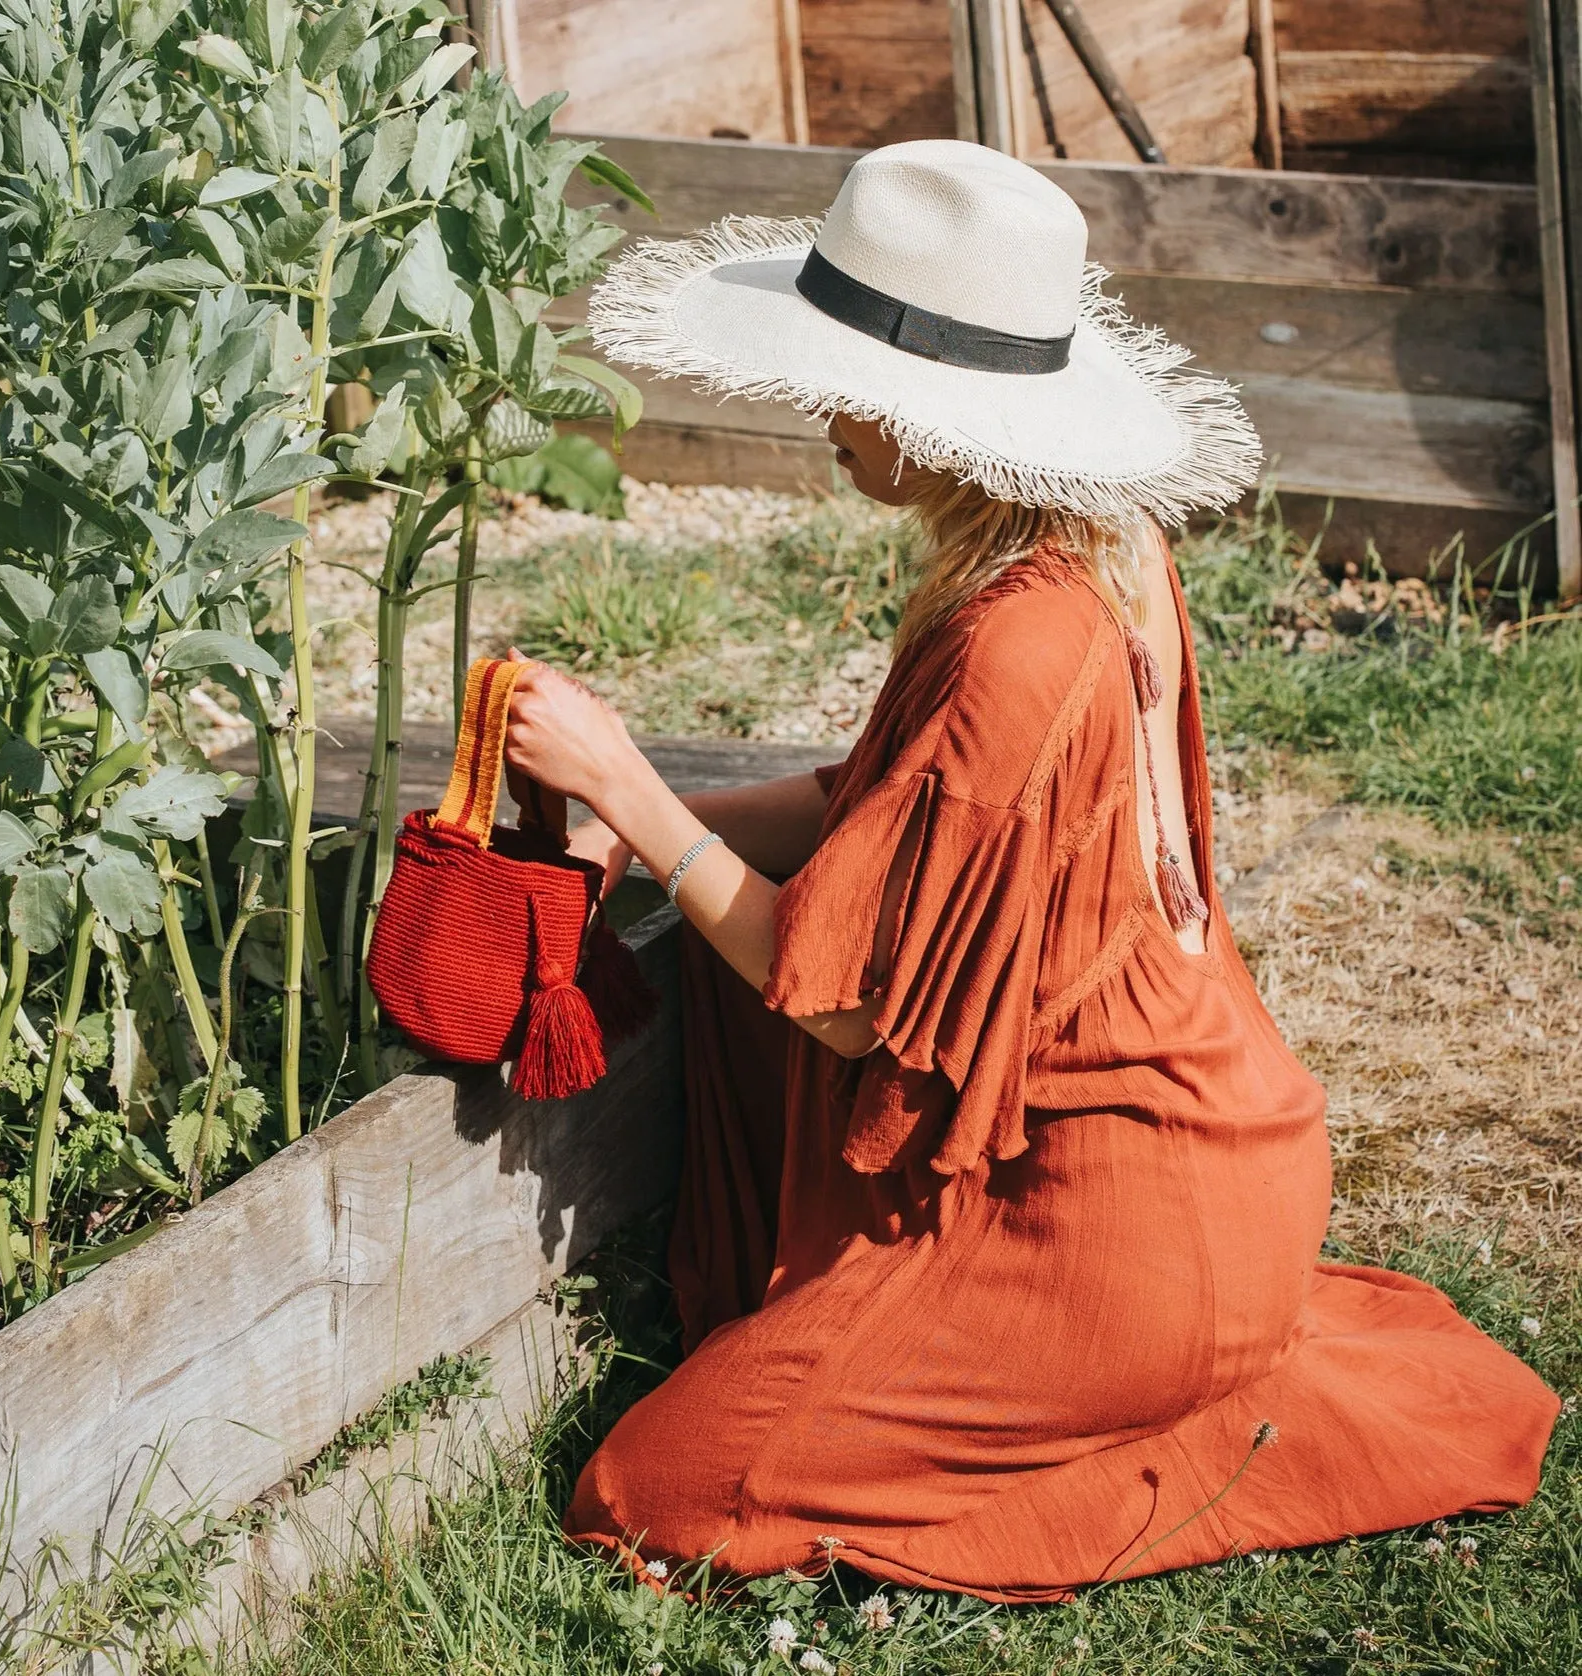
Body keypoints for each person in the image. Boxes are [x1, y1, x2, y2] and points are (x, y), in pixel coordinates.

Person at [500, 140, 1558, 1601]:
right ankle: (1078, 1394)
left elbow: (851, 1010)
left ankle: (1114, 1441)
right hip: (1204, 1166)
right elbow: (890, 812)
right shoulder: (1091, 557)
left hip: (1112, 1228)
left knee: (654, 1494)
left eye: (845, 382)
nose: (822, 409)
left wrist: (627, 786)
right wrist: (673, 825)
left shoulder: (1017, 639)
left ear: (932, 420)